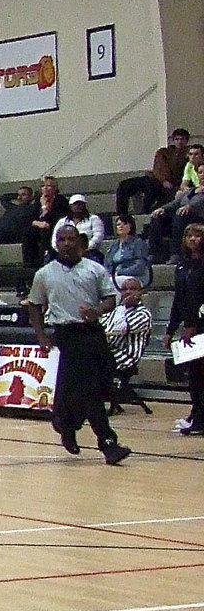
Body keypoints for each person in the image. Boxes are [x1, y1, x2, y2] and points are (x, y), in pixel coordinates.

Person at [26, 224, 130, 464]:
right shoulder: (45, 273)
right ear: (56, 242)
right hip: (67, 334)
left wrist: (97, 311)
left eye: (71, 239)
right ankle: (107, 442)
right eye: (61, 239)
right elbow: (34, 304)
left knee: (95, 385)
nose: (66, 243)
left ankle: (66, 424)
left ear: (79, 242)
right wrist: (41, 334)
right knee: (88, 389)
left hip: (92, 333)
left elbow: (110, 299)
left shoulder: (94, 269)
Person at [164, 223, 204, 435]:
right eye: (189, 235)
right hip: (190, 328)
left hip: (201, 326)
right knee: (195, 376)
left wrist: (194, 325)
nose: (192, 239)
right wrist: (170, 329)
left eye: (197, 235)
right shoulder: (183, 266)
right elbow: (179, 299)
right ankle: (197, 414)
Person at [100, 276, 153, 414]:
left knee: (89, 363)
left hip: (125, 355)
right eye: (124, 289)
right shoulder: (115, 311)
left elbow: (117, 330)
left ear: (140, 292)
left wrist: (121, 309)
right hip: (109, 351)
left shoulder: (143, 314)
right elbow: (101, 326)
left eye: (133, 289)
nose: (128, 292)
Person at [145, 143, 204, 263]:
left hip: (197, 217)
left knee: (180, 214)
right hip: (181, 216)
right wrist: (163, 209)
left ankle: (177, 253)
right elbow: (176, 203)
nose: (202, 175)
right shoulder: (192, 191)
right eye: (200, 172)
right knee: (158, 216)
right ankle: (154, 253)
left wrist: (190, 206)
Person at [115, 129, 191, 217]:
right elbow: (159, 167)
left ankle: (145, 212)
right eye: (177, 139)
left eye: (182, 139)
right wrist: (163, 180)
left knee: (152, 188)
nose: (179, 142)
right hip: (155, 178)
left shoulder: (189, 155)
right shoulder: (163, 152)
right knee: (124, 185)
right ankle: (121, 215)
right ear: (173, 140)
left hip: (171, 185)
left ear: (186, 141)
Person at [23, 176, 70, 267]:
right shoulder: (38, 200)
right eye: (43, 186)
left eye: (48, 186)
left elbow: (57, 218)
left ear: (55, 188)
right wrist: (38, 223)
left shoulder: (61, 200)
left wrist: (44, 208)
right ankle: (28, 265)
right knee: (27, 233)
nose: (45, 188)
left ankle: (44, 259)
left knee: (46, 231)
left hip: (54, 227)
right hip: (41, 226)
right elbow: (30, 218)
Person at [103, 215, 152, 289]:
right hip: (114, 277)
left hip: (134, 277)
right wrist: (109, 273)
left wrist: (119, 273)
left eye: (124, 224)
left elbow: (140, 266)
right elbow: (107, 263)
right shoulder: (113, 244)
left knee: (112, 283)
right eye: (118, 224)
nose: (121, 226)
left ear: (131, 226)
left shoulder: (138, 243)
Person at [52, 195, 105, 262]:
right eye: (75, 204)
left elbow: (98, 236)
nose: (78, 206)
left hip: (89, 253)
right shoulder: (62, 221)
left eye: (81, 204)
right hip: (66, 254)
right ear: (70, 206)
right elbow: (54, 239)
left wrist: (83, 250)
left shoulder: (94, 219)